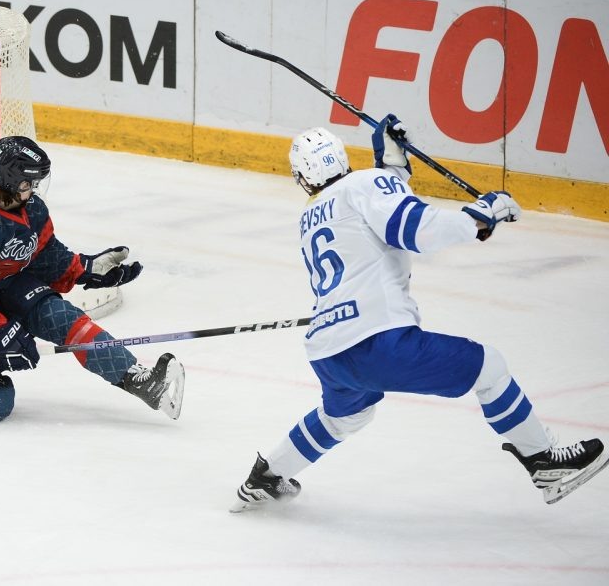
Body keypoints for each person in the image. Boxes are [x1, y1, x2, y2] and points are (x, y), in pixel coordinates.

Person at [230, 118, 608, 511]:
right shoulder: (362, 185)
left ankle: (267, 475)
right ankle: (544, 461)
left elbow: (379, 207)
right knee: (489, 368)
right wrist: (478, 214)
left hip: (329, 354)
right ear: (342, 158)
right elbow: (416, 230)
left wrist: (392, 164)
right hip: (379, 341)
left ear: (303, 176)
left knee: (345, 417)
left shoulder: (311, 215)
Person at [0, 136, 184, 423]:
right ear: (13, 182)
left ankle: (138, 379)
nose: (36, 188)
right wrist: (0, 330)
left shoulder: (29, 208)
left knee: (59, 315)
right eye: (30, 182)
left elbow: (45, 255)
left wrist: (86, 268)